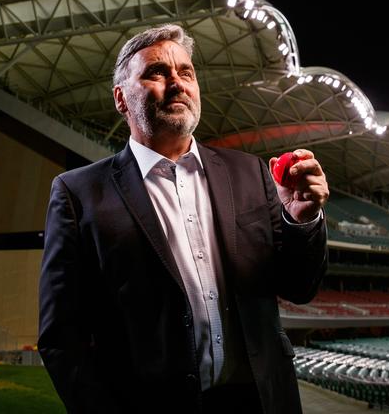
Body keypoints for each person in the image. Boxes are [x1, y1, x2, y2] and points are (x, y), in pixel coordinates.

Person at [38, 24, 329, 414]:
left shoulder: (250, 172)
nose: (177, 83)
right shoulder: (78, 193)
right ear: (121, 99)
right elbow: (61, 337)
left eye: (186, 72)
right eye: (157, 72)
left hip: (261, 401)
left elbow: (299, 287)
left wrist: (302, 221)